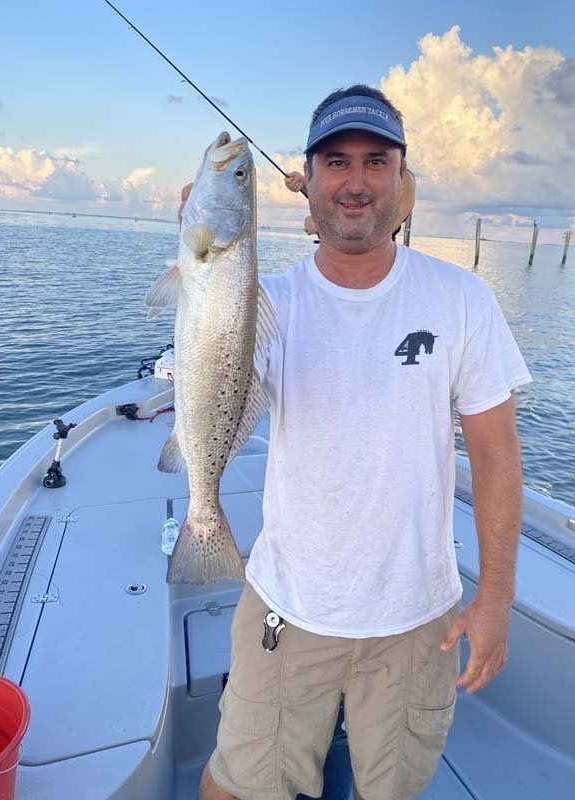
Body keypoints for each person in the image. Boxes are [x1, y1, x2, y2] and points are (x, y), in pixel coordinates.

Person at [195, 84, 533, 800]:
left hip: (419, 618)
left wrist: (496, 598)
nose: (356, 183)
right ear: (307, 185)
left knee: (393, 790)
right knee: (235, 785)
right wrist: (204, 254)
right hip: (289, 605)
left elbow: (498, 455)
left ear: (403, 181)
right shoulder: (268, 301)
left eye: (376, 161)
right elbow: (211, 382)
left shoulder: (462, 299)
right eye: (336, 163)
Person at [288, 166, 416, 243]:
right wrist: (305, 185)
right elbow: (335, 202)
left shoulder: (405, 178)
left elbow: (385, 228)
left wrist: (321, 225)